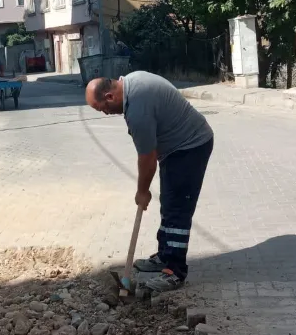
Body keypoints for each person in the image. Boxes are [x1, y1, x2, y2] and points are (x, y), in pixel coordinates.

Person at [85, 72, 214, 293]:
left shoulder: (137, 109)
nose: (105, 113)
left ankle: (175, 271)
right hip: (177, 147)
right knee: (170, 203)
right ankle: (165, 256)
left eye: (101, 108)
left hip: (190, 147)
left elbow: (147, 158)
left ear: (109, 96)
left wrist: (142, 191)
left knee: (177, 209)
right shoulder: (131, 82)